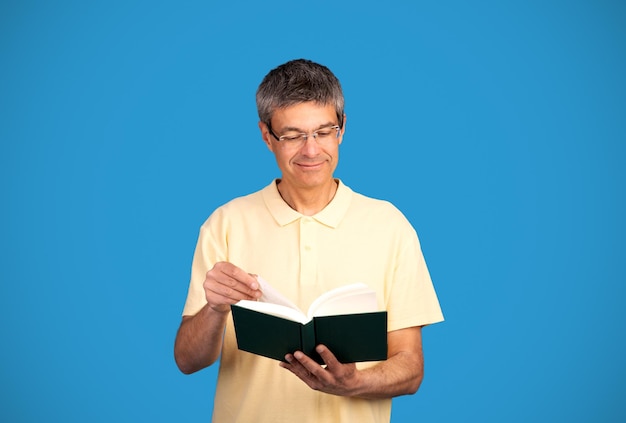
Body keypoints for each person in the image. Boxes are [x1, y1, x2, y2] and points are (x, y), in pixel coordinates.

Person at [174, 58, 444, 423]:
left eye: (323, 131)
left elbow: (411, 368)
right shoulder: (225, 223)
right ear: (266, 136)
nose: (311, 150)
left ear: (342, 128)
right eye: (292, 135)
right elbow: (188, 361)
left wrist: (354, 382)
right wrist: (215, 309)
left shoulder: (391, 226)